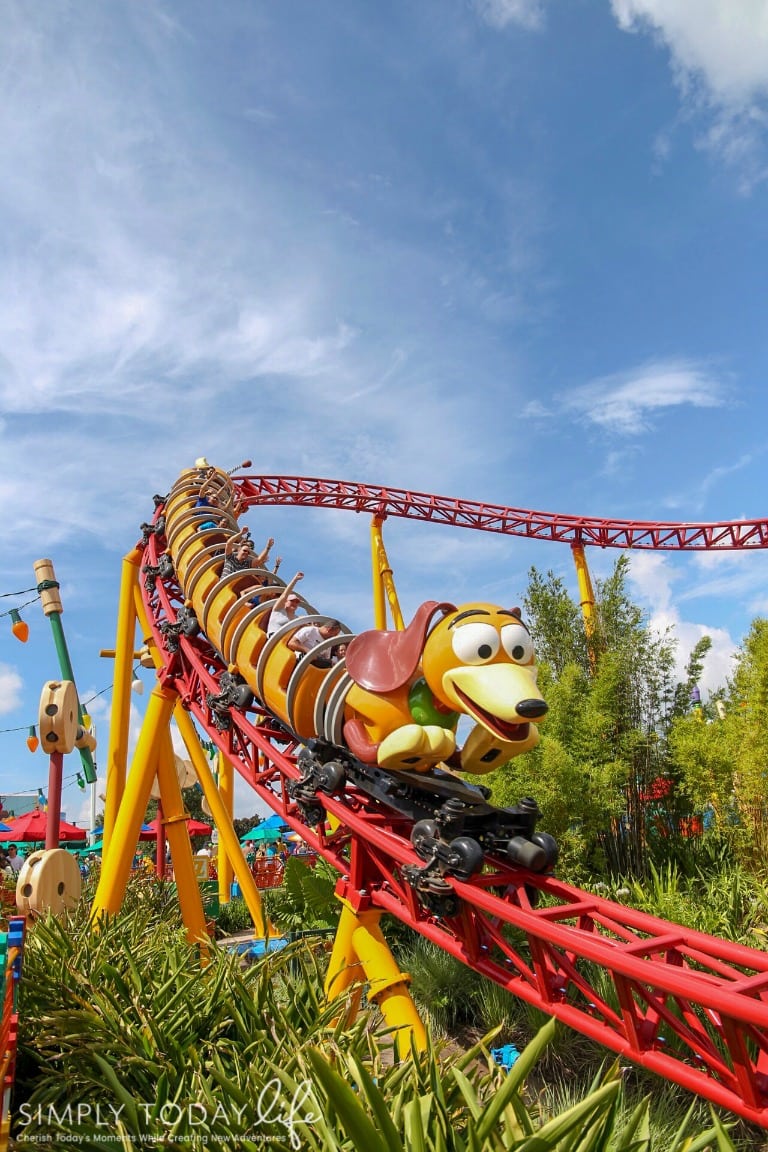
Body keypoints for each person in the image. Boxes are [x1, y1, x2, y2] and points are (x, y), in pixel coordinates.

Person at [266, 572, 305, 638]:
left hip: (286, 642)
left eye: (297, 602)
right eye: (292, 601)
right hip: (274, 638)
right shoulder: (278, 610)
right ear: (285, 602)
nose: (294, 603)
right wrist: (295, 580)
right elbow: (284, 595)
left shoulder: (297, 619)